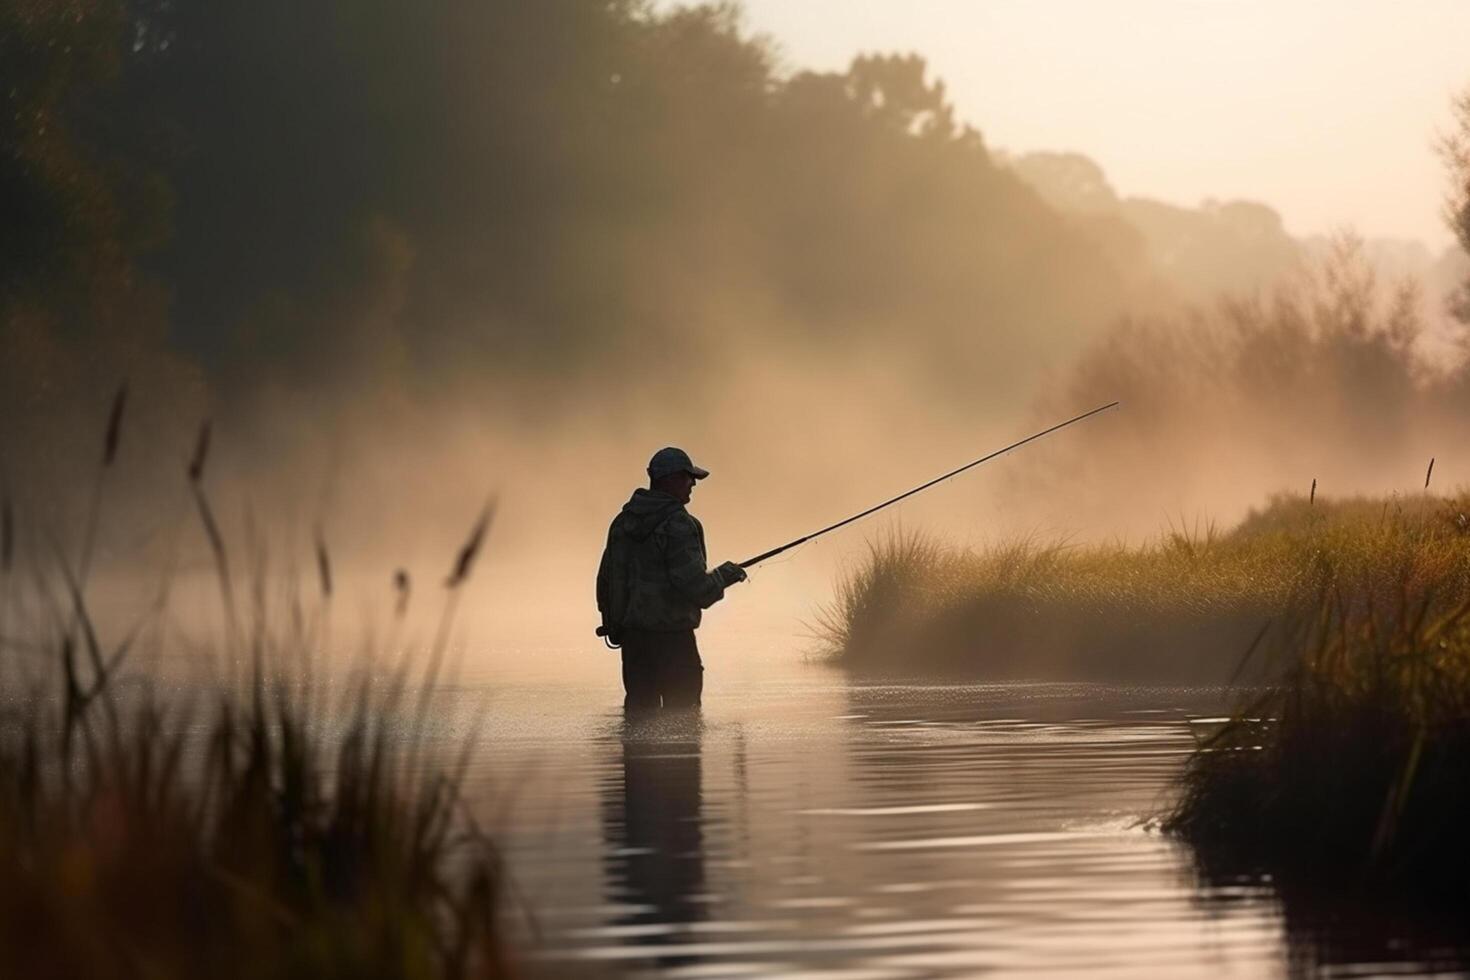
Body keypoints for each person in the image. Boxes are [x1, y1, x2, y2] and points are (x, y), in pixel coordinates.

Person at [597, 447, 747, 710]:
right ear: (671, 479)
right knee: (683, 726)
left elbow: (606, 583)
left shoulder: (621, 523)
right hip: (674, 643)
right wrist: (727, 574)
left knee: (639, 725)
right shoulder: (678, 524)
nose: (692, 484)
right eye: (688, 478)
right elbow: (698, 589)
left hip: (633, 646)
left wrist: (614, 625)